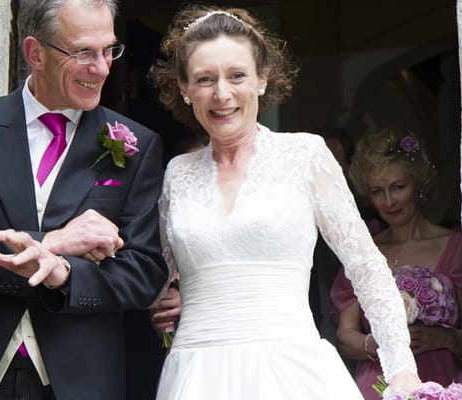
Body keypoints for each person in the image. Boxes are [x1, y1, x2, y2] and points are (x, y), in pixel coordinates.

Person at [147, 5, 421, 399]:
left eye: (237, 75)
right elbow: (164, 278)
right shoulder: (178, 174)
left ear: (262, 79)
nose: (222, 94)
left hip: (290, 372)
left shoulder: (305, 156)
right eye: (205, 79)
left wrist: (401, 368)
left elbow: (365, 267)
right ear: (185, 89)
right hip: (195, 375)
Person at [0, 0, 168, 399]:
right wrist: (52, 242)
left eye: (109, 49)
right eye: (83, 52)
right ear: (34, 53)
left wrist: (64, 274)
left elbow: (144, 273)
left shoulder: (138, 145)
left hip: (81, 382)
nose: (102, 67)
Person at [330, 127, 462, 399]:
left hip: (443, 383)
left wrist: (446, 338)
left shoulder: (455, 247)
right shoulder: (363, 251)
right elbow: (345, 335)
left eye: (398, 187)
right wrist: (379, 342)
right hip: (377, 387)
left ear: (418, 185)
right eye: (377, 191)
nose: (389, 201)